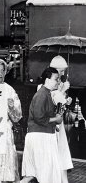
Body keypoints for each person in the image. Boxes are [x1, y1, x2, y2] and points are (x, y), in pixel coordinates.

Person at [21, 67, 63, 183]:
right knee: (45, 173)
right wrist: (56, 119)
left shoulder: (46, 94)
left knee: (32, 174)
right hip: (41, 137)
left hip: (41, 136)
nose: (58, 82)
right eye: (56, 79)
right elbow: (39, 117)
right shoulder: (42, 95)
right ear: (47, 80)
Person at [49, 55, 73, 183]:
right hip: (52, 124)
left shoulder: (60, 84)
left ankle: (63, 179)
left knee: (62, 151)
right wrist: (62, 92)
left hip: (59, 123)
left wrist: (65, 97)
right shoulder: (49, 84)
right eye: (61, 70)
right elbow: (52, 100)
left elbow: (61, 104)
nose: (63, 73)